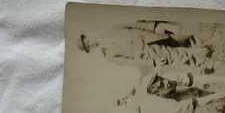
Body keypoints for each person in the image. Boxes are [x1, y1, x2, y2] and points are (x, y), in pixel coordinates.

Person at [77, 22, 213, 71]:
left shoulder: (110, 28)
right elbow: (133, 62)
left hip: (151, 35)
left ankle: (206, 47)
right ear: (90, 50)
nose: (91, 44)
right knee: (178, 57)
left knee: (183, 40)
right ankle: (210, 64)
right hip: (149, 52)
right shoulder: (109, 56)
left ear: (89, 36)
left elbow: (133, 25)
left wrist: (154, 26)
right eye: (88, 46)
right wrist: (152, 62)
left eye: (88, 41)